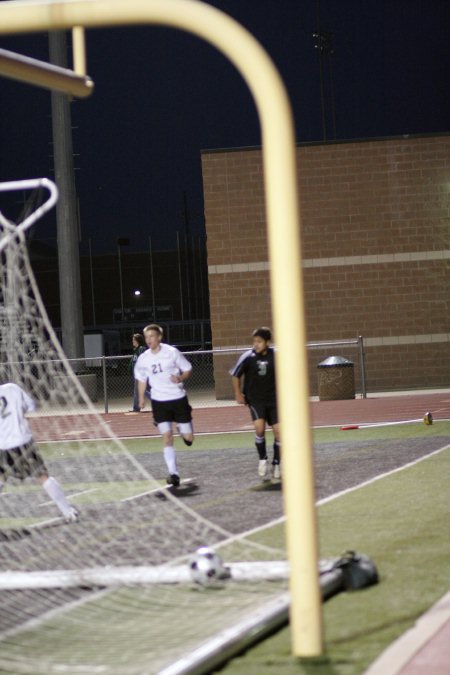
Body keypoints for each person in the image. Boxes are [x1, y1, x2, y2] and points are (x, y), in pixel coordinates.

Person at [0, 381, 79, 522]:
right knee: (42, 477)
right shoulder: (12, 388)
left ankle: (68, 512)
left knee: (1, 479)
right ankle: (67, 512)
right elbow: (30, 406)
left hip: (2, 445)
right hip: (22, 441)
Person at [134, 324, 194, 487]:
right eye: (146, 337)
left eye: (152, 336)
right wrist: (141, 399)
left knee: (189, 439)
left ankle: (184, 429)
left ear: (159, 337)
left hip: (178, 398)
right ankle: (173, 474)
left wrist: (181, 378)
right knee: (167, 437)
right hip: (159, 401)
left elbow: (188, 369)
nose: (149, 340)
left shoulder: (172, 353)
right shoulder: (143, 358)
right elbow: (141, 379)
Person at [230, 327, 281, 481]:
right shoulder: (248, 356)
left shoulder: (277, 356)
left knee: (279, 432)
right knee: (259, 429)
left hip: (275, 400)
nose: (256, 344)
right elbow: (235, 375)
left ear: (267, 342)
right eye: (254, 341)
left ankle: (277, 463)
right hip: (255, 399)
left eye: (259, 341)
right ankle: (262, 459)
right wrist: (238, 393)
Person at [128, 333, 146, 412]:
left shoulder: (141, 349)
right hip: (136, 374)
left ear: (137, 341)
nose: (133, 341)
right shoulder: (135, 350)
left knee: (140, 390)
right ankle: (136, 408)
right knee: (140, 390)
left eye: (134, 340)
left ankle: (136, 408)